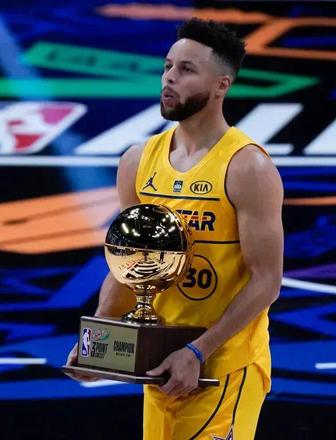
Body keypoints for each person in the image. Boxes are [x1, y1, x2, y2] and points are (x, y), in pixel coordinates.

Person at [66, 18, 283, 440]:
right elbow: (130, 265)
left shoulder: (247, 167)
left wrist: (198, 351)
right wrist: (99, 342)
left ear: (221, 85)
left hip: (222, 367)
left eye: (186, 70)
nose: (169, 78)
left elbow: (267, 281)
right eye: (167, 66)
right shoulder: (137, 160)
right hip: (161, 365)